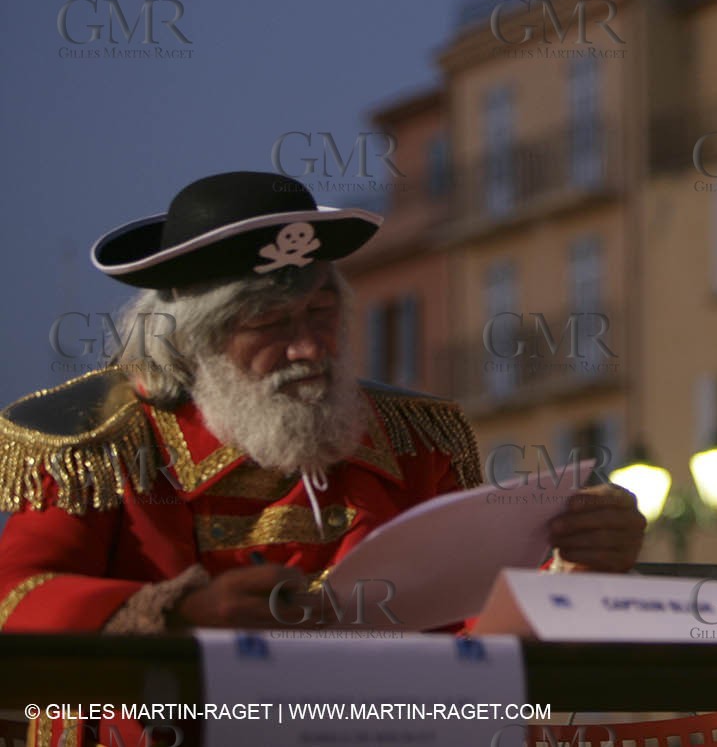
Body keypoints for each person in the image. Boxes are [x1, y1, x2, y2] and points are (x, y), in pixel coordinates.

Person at [0, 171, 645, 637]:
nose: (307, 346)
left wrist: (573, 564)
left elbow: (470, 627)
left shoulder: (417, 439)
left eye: (321, 311)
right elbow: (17, 599)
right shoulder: (99, 443)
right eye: (268, 322)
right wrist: (178, 615)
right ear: (190, 341)